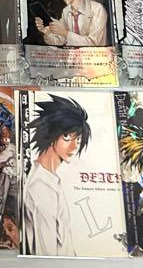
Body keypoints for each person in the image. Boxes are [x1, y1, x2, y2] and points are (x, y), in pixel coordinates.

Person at [22, 95, 91, 256]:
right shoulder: (41, 188)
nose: (74, 146)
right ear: (51, 134)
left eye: (78, 139)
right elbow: (47, 255)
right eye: (67, 136)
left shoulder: (48, 180)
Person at [34, 0, 109, 48]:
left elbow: (95, 43)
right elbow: (60, 41)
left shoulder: (97, 9)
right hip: (72, 55)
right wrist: (47, 32)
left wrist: (66, 34)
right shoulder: (66, 11)